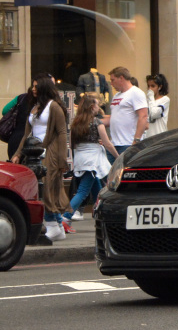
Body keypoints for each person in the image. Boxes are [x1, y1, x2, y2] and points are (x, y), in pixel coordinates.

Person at [11, 75, 70, 236]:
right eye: (33, 86)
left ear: (44, 88)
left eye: (36, 86)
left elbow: (62, 133)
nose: (33, 88)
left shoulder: (54, 107)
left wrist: (62, 159)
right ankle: (57, 226)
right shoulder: (35, 107)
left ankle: (53, 225)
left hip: (49, 153)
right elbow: (26, 135)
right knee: (39, 189)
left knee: (47, 188)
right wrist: (18, 154)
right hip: (33, 155)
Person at [64, 94, 117, 223]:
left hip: (80, 159)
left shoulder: (75, 123)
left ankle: (105, 216)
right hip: (93, 160)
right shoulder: (97, 122)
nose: (98, 107)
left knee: (98, 191)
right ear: (92, 107)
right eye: (97, 105)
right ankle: (65, 217)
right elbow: (107, 143)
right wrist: (118, 156)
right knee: (82, 191)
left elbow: (72, 145)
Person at [103, 66, 148, 159]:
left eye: (113, 80)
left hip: (128, 143)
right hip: (114, 143)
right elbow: (115, 117)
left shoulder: (136, 93)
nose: (111, 83)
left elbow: (143, 116)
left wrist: (136, 140)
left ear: (121, 78)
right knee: (111, 172)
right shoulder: (116, 95)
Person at [3, 79, 39, 160]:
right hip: (32, 142)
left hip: (15, 139)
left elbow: (4, 110)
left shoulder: (21, 98)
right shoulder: (43, 102)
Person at [144, 74, 170, 139]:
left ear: (159, 87)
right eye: (148, 86)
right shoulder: (147, 101)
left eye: (153, 86)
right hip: (148, 137)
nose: (150, 89)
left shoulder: (165, 100)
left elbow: (153, 113)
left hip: (159, 135)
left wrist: (150, 96)